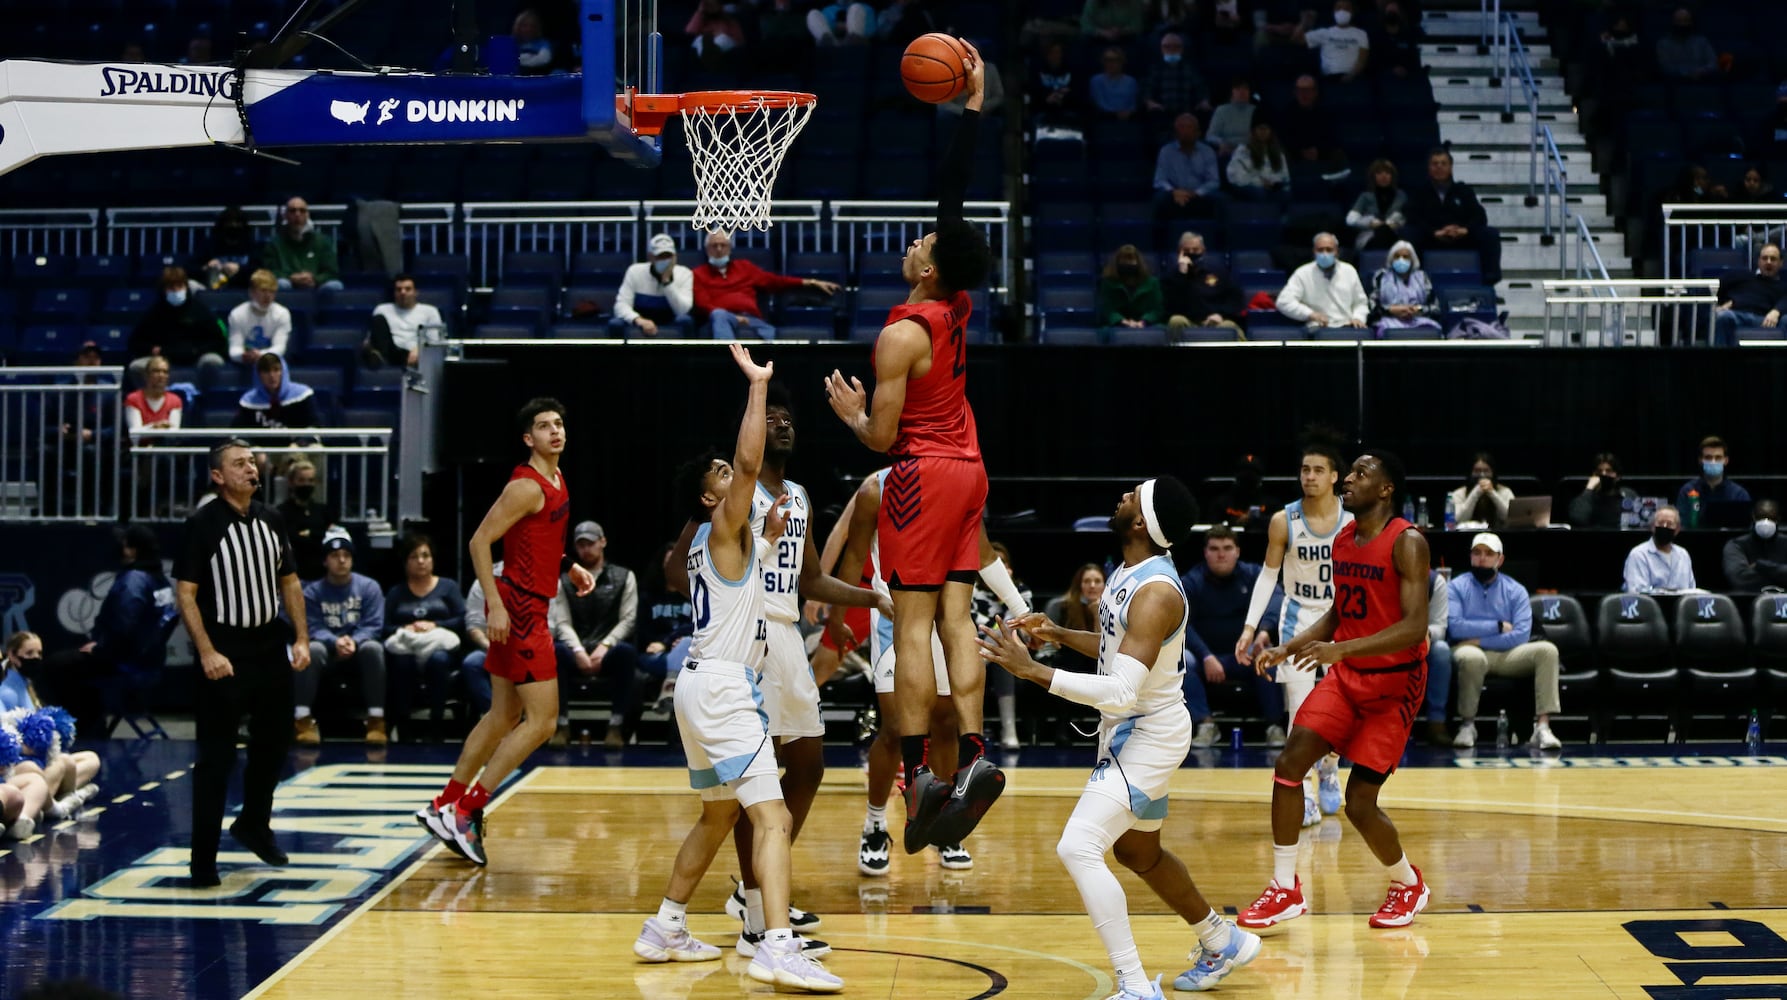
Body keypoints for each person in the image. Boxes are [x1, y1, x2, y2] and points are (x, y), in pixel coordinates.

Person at [823, 39, 1006, 856]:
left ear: (930, 274)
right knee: (960, 619)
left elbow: (884, 438)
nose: (918, 245)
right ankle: (968, 757)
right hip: (971, 471)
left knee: (912, 623)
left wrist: (850, 417)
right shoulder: (958, 303)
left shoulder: (901, 332)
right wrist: (971, 105)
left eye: (925, 249)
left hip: (922, 475)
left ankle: (917, 778)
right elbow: (954, 193)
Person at [983, 476, 1261, 997]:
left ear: (1141, 522)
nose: (1121, 497)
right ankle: (1220, 940)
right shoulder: (1127, 571)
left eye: (1132, 496)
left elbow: (1119, 691)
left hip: (1150, 734)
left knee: (1078, 846)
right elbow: (1121, 651)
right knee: (1138, 853)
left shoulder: (1156, 591)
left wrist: (1033, 673)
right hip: (1131, 729)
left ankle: (1135, 986)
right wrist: (1060, 635)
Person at [634, 346, 843, 992]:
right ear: (710, 495)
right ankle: (773, 942)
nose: (737, 476)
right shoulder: (723, 522)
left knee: (719, 815)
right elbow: (750, 462)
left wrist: (775, 533)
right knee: (772, 818)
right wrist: (757, 388)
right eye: (722, 475)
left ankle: (665, 925)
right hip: (725, 685)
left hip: (698, 684)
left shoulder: (706, 540)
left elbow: (754, 553)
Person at [713, 387, 888, 943]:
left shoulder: (801, 496)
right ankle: (760, 905)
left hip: (788, 637)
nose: (782, 426)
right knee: (758, 780)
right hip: (748, 637)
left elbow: (810, 578)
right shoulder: (737, 494)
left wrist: (871, 600)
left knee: (809, 765)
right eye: (772, 419)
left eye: (789, 420)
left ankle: (760, 886)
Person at [1242, 450, 1434, 931]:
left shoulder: (1407, 542)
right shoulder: (1345, 537)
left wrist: (1341, 652)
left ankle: (1407, 882)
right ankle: (1285, 887)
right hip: (1348, 677)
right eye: (1347, 472)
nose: (1347, 479)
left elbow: (1414, 628)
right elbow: (1338, 613)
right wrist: (1289, 647)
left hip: (1395, 685)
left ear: (1386, 489)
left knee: (1359, 804)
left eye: (1360, 474)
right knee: (1288, 767)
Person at [416, 398, 595, 867]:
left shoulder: (556, 479)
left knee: (502, 716)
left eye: (559, 423)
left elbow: (535, 541)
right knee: (542, 722)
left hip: (531, 602)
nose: (555, 431)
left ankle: (444, 804)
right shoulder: (525, 485)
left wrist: (570, 568)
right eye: (543, 426)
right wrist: (494, 604)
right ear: (527, 439)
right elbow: (480, 540)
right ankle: (467, 810)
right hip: (518, 609)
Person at [174, 439, 312, 887]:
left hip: (269, 647)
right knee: (216, 759)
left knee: (274, 745)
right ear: (218, 476)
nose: (250, 468)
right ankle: (203, 860)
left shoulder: (272, 519)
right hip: (224, 651)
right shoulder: (203, 523)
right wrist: (207, 651)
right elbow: (186, 593)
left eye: (252, 461)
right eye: (239, 464)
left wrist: (302, 637)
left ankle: (254, 823)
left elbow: (289, 582)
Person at [1240, 428, 1352, 824]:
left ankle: (1330, 766)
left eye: (1318, 470)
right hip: (1298, 618)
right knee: (1300, 710)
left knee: (1343, 709)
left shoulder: (1352, 522)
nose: (1309, 476)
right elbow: (1268, 577)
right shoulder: (1283, 519)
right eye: (1305, 469)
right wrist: (1250, 628)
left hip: (1341, 620)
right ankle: (1303, 787)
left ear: (1334, 476)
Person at [44, 524, 175, 733]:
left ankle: (82, 730)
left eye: (124, 543)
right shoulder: (160, 580)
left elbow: (124, 631)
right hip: (150, 661)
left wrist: (99, 649)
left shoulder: (134, 581)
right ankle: (92, 724)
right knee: (76, 664)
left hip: (125, 662)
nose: (120, 547)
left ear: (132, 550)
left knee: (54, 666)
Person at [1447, 533, 1564, 750]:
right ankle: (1467, 725)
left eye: (1489, 553)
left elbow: (1520, 635)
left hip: (1505, 654)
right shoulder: (1456, 586)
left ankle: (1543, 727)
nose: (1481, 558)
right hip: (1470, 652)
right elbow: (1455, 627)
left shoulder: (1515, 590)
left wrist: (1476, 640)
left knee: (1547, 650)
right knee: (1470, 657)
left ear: (1500, 560)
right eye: (1477, 553)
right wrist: (1498, 626)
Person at [1180, 526, 1285, 745]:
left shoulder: (1254, 575)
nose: (1221, 554)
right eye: (1215, 548)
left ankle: (1274, 726)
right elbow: (1181, 623)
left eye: (1227, 548)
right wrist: (1206, 655)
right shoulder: (1190, 582)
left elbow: (1277, 598)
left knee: (1267, 656)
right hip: (1205, 657)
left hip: (1245, 654)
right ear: (1205, 552)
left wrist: (1264, 631)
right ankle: (1206, 724)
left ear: (1237, 551)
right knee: (1181, 661)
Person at [0, 632, 104, 831]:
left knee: (91, 759)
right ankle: (55, 800)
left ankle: (52, 797)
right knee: (56, 765)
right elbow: (6, 738)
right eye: (29, 653)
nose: (36, 659)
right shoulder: (7, 692)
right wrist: (30, 748)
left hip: (36, 759)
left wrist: (53, 737)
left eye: (39, 653)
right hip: (21, 763)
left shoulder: (26, 685)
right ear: (12, 655)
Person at [298, 530, 388, 745]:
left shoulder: (369, 587)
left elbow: (374, 624)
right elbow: (311, 626)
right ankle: (301, 719)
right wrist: (334, 641)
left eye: (346, 555)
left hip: (359, 648)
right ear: (325, 560)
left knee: (374, 648)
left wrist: (354, 641)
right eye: (335, 555)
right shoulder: (312, 592)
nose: (341, 560)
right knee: (311, 649)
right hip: (328, 649)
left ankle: (376, 719)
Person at [382, 533, 467, 740]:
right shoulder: (396, 593)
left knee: (438, 660)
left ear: (432, 559)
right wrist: (406, 628)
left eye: (425, 555)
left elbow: (462, 620)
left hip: (439, 646)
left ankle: (436, 722)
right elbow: (384, 627)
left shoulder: (448, 587)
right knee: (402, 662)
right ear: (405, 562)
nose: (421, 561)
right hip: (407, 645)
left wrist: (435, 624)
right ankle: (403, 724)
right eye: (414, 557)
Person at [692, 231, 838, 341]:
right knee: (718, 315)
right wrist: (734, 317)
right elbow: (703, 304)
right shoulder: (698, 274)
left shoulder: (745, 267)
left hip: (751, 319)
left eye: (723, 245)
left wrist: (810, 282)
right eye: (714, 245)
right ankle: (730, 362)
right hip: (720, 319)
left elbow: (774, 281)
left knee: (771, 333)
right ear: (707, 249)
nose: (719, 249)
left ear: (730, 248)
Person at [1405, 147, 1502, 286]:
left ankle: (1488, 282)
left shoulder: (1463, 190)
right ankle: (1414, 280)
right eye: (1435, 164)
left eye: (1443, 163)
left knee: (1490, 234)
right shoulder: (1420, 192)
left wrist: (1465, 230)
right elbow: (1412, 217)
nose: (1439, 167)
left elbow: (1479, 215)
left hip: (1461, 237)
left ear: (1450, 167)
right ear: (1429, 168)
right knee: (1409, 233)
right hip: (1432, 238)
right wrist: (1433, 232)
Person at [127, 265, 226, 388]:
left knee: (213, 360)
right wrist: (151, 349)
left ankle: (206, 399)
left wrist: (197, 350)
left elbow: (218, 341)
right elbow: (135, 342)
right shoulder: (154, 312)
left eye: (179, 287)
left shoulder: (200, 310)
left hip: (196, 356)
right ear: (164, 290)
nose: (176, 291)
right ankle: (152, 401)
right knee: (136, 366)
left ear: (186, 287)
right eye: (171, 288)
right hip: (163, 359)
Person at [1277, 232, 1369, 329]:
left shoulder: (1349, 271)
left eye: (1329, 250)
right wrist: (1310, 314)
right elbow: (1283, 302)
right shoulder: (1303, 273)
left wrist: (1358, 318)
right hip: (1318, 327)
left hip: (1347, 325)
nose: (1325, 254)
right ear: (1314, 252)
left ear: (1337, 252)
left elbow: (1360, 302)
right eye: (1320, 250)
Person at [613, 234, 696, 338]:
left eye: (668, 256)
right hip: (641, 321)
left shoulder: (684, 273)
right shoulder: (635, 271)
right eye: (660, 256)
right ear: (650, 257)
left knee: (686, 321)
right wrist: (638, 320)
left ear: (675, 257)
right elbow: (620, 306)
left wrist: (667, 282)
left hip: (670, 321)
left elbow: (682, 310)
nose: (665, 260)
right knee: (615, 323)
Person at [1163, 231, 1245, 335]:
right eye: (1187, 250)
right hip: (1188, 321)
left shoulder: (1218, 271)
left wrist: (1221, 315)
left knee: (1229, 326)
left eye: (1195, 250)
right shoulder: (1172, 275)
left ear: (1203, 250)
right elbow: (1170, 306)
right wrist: (1182, 275)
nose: (1191, 253)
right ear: (1180, 252)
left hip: (1216, 321)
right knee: (1176, 321)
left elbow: (1235, 300)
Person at [1151, 113, 1223, 227]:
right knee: (1159, 200)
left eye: (1189, 128)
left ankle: (1220, 244)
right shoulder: (1166, 151)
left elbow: (1214, 181)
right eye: (1181, 128)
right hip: (1175, 196)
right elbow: (1159, 180)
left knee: (1221, 201)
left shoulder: (1207, 151)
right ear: (1175, 133)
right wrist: (1174, 191)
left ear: (1198, 132)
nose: (1185, 132)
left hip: (1199, 196)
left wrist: (1196, 193)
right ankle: (1160, 244)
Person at [1711, 244, 1786, 347]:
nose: (1768, 262)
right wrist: (1719, 305)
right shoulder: (1742, 276)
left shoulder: (1783, 284)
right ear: (1758, 261)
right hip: (1738, 316)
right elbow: (1712, 286)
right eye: (1764, 258)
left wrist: (1776, 311)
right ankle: (1720, 361)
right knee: (1724, 316)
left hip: (1765, 320)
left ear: (1780, 263)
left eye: (1773, 259)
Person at [261, 197, 343, 291]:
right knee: (282, 284)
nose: (297, 214)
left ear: (307, 215)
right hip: (288, 284)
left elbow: (332, 272)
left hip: (316, 286)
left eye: (302, 211)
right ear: (285, 215)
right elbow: (269, 272)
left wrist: (314, 278)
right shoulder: (274, 243)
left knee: (335, 285)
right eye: (293, 211)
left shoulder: (322, 241)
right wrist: (291, 277)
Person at [276, 459, 339, 581]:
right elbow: (290, 539)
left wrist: (309, 533)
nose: (306, 484)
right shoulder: (281, 511)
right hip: (293, 574)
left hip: (322, 575)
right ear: (291, 482)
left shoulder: (323, 510)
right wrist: (317, 534)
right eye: (301, 480)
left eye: (310, 480)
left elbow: (332, 537)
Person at [366, 274, 446, 368]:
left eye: (408, 289)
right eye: (398, 289)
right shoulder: (382, 309)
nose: (403, 292)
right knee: (378, 319)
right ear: (394, 292)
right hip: (389, 351)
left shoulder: (430, 311)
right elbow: (371, 338)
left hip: (414, 354)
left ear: (416, 292)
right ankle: (380, 362)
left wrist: (420, 349)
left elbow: (434, 341)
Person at [1676, 435, 1752, 529]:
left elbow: (1744, 529)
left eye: (1718, 457)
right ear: (1700, 460)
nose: (1713, 461)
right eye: (1708, 457)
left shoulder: (1739, 494)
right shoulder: (1687, 490)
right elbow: (1682, 525)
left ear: (1726, 460)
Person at [1369, 241, 1440, 336]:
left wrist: (1417, 310)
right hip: (1389, 320)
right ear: (1391, 259)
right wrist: (1391, 310)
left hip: (1418, 319)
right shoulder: (1381, 277)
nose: (1401, 260)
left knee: (1431, 330)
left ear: (1412, 259)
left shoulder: (1422, 277)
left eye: (1405, 257)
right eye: (1397, 256)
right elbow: (1372, 307)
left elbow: (1435, 308)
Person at [234, 353, 320, 431]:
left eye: (276, 370)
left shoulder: (302, 395)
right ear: (258, 375)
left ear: (283, 372)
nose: (272, 375)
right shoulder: (248, 401)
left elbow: (314, 426)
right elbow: (237, 432)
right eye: (266, 371)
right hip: (259, 448)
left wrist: (302, 443)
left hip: (298, 447)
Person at [226, 269, 292, 369]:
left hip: (272, 365)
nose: (268, 296)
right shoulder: (237, 314)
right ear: (251, 292)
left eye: (272, 291)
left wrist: (260, 355)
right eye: (263, 290)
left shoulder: (282, 314)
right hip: (244, 365)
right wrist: (243, 356)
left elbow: (280, 348)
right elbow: (234, 348)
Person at [1623, 505, 1696, 593]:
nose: (1665, 527)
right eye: (1661, 523)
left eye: (1669, 524)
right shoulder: (1638, 554)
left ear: (1677, 530)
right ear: (1653, 526)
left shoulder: (1683, 555)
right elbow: (1636, 592)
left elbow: (1691, 592)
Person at [1098, 244, 1165, 333]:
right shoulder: (1108, 283)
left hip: (1147, 325)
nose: (1128, 264)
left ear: (1138, 262)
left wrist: (1143, 322)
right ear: (1117, 263)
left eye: (1131, 261)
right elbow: (1107, 309)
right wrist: (1123, 321)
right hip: (1117, 326)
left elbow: (1157, 309)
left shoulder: (1152, 283)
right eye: (1124, 261)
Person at [1723, 500, 1787, 590]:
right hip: (1747, 600)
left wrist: (1760, 565)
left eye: (1771, 518)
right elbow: (1738, 578)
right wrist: (1780, 576)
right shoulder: (1736, 544)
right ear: (1753, 517)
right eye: (1760, 517)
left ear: (1778, 520)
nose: (1765, 522)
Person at [1347, 160, 1409, 251]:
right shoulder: (1365, 196)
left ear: (1393, 176)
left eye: (1387, 173)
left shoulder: (1401, 196)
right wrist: (1370, 223)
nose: (1384, 176)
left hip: (1395, 237)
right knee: (1382, 231)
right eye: (1379, 173)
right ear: (1373, 176)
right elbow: (1350, 220)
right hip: (1370, 238)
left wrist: (1397, 224)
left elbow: (1408, 218)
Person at [1226, 119, 1291, 205]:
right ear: (1254, 131)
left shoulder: (1278, 152)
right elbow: (1238, 177)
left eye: (1266, 129)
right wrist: (1260, 183)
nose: (1263, 132)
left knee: (1286, 192)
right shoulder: (1243, 150)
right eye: (1260, 128)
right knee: (1260, 193)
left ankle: (1283, 217)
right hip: (1247, 185)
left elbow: (1285, 175)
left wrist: (1273, 182)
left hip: (1272, 185)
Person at [1302, 0, 1370, 81]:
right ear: (1334, 11)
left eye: (1347, 8)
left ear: (1353, 12)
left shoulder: (1361, 34)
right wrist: (1304, 24)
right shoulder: (1324, 32)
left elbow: (1362, 59)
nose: (1342, 11)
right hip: (1328, 79)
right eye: (1339, 8)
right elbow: (1297, 39)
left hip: (1353, 79)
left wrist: (1351, 76)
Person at [1568, 452, 1637, 529]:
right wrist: (1589, 488)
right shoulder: (1586, 497)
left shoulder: (1628, 494)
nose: (1603, 474)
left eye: (1609, 471)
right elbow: (1577, 519)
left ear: (1617, 476)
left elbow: (1639, 522)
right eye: (1599, 471)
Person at [123, 355, 184, 438]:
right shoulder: (133, 399)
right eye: (156, 371)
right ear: (146, 375)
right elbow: (135, 433)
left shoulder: (175, 400)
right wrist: (154, 427)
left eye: (165, 372)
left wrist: (150, 429)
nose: (161, 375)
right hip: (139, 449)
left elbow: (173, 434)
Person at [1448, 451, 1513, 529]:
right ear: (1471, 473)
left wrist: (1492, 493)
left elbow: (1511, 519)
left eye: (1486, 471)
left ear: (1493, 473)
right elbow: (1458, 520)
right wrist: (1476, 492)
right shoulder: (1459, 494)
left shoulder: (1505, 492)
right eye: (1477, 471)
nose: (1482, 475)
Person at [1206, 79, 1256, 156]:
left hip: (1251, 151)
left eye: (1246, 89)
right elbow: (1210, 136)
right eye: (1238, 89)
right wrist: (1221, 143)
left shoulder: (1255, 111)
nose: (1242, 92)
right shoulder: (1221, 110)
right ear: (1232, 92)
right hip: (1228, 150)